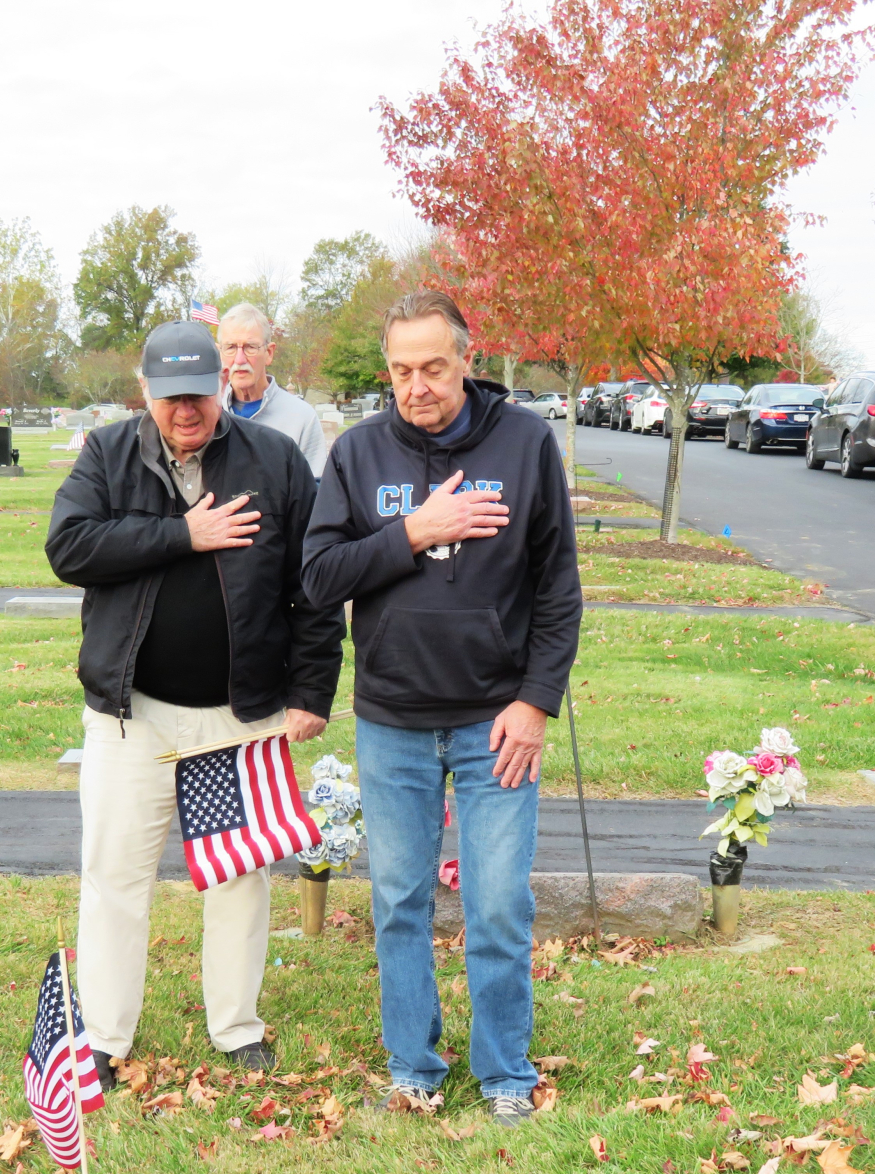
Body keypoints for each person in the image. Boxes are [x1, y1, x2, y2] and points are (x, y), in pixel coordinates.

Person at [302, 289, 582, 1128]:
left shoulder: (525, 443)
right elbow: (318, 578)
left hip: (495, 723)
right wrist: (415, 532)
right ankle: (413, 1067)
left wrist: (536, 702)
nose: (416, 386)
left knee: (497, 904)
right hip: (391, 719)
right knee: (399, 903)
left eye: (432, 367)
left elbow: (558, 588)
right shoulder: (358, 453)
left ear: (468, 358)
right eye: (400, 370)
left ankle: (505, 1071)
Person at [46, 320, 344, 1091]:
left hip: (237, 715)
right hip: (132, 713)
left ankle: (237, 1028)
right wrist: (183, 535)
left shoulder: (274, 460)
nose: (186, 411)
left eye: (199, 395)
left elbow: (313, 586)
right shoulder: (107, 454)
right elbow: (69, 548)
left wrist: (312, 689)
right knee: (115, 875)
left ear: (222, 386)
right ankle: (104, 1037)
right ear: (145, 391)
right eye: (170, 396)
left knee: (240, 876)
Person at [219, 303, 327, 479]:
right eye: (230, 347)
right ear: (219, 353)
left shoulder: (302, 418)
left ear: (269, 353)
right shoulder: (209, 414)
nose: (239, 359)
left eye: (250, 347)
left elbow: (315, 488)